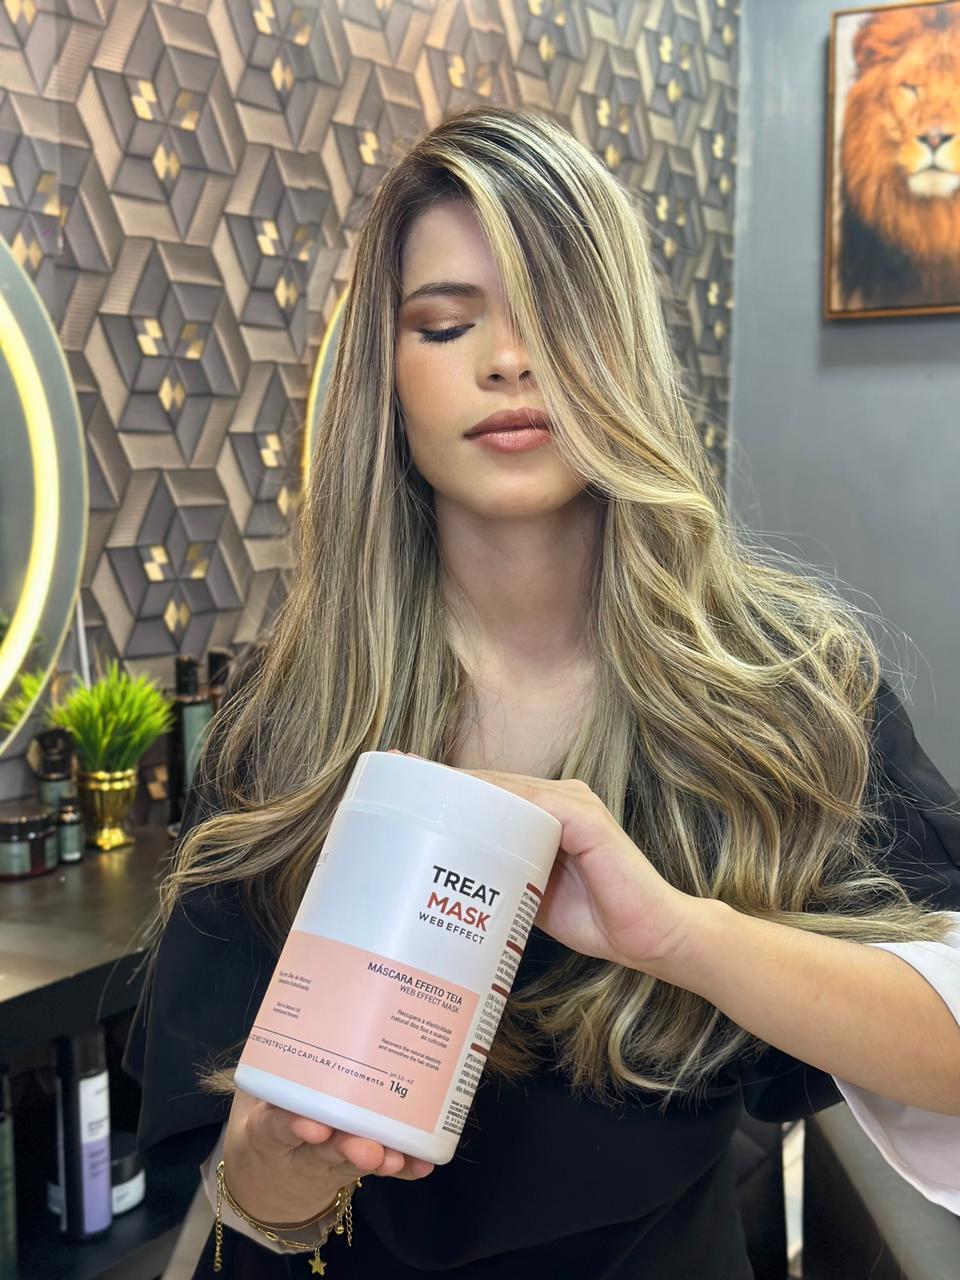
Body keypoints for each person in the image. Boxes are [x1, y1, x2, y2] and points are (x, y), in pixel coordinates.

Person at [123, 106, 960, 1279]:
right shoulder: (289, 718)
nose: (509, 361)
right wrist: (288, 1164)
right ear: (388, 379)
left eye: (554, 314)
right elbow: (241, 1195)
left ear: (623, 351)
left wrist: (686, 935)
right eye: (447, 322)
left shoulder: (784, 693)